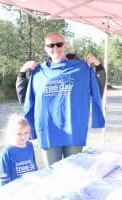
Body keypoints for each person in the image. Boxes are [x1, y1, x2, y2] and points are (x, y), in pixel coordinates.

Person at [23, 32, 105, 168]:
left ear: (65, 46)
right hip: (49, 130)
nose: (55, 48)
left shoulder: (81, 68)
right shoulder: (38, 73)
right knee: (52, 173)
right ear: (45, 48)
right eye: (51, 45)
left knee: (73, 171)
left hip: (74, 129)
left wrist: (98, 66)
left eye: (59, 44)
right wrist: (21, 74)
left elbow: (98, 91)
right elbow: (27, 101)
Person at [16, 54, 106, 104]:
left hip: (73, 131)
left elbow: (98, 93)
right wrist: (22, 73)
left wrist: (98, 66)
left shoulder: (80, 81)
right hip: (47, 131)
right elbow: (23, 98)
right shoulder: (43, 77)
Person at [0, 113, 38, 186]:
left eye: (26, 133)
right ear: (11, 133)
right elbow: (4, 177)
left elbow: (34, 165)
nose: (23, 136)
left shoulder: (29, 146)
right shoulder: (7, 151)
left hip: (31, 186)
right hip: (16, 189)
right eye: (19, 134)